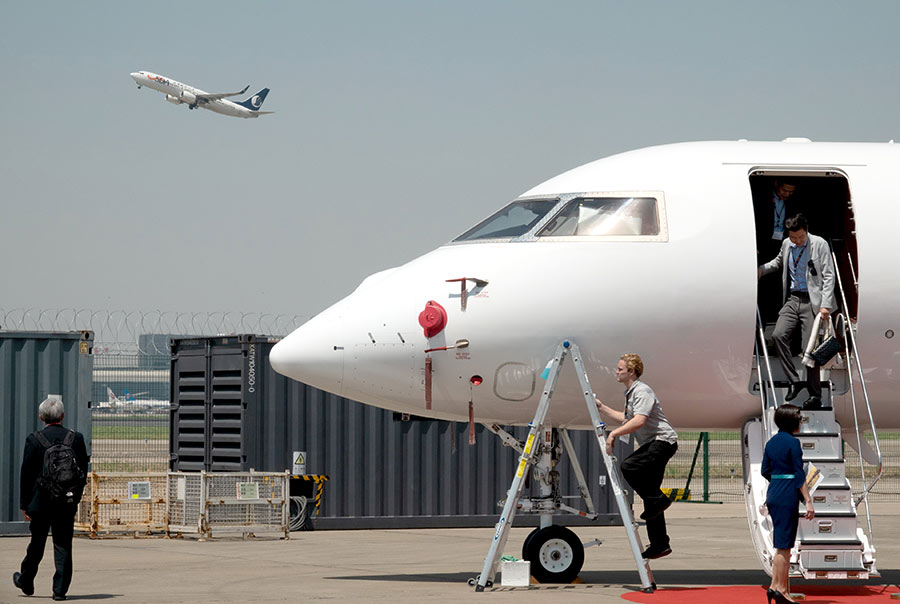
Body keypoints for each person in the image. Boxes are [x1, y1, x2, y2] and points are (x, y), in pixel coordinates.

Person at [594, 353, 678, 559]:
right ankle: (660, 544)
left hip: (662, 441)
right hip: (653, 443)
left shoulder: (642, 391)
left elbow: (639, 421)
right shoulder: (631, 393)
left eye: (620, 368)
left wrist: (613, 434)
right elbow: (627, 419)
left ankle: (658, 500)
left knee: (629, 466)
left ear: (631, 371)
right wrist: (601, 407)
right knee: (651, 500)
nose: (616, 371)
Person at [13, 398, 89, 601]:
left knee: (36, 544)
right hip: (66, 502)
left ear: (41, 417)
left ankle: (26, 580)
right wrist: (77, 496)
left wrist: (25, 504)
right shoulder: (76, 439)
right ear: (62, 416)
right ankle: (60, 590)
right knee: (63, 545)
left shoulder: (34, 439)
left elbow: (26, 474)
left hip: (41, 502)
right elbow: (82, 472)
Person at [758, 213, 836, 409]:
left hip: (813, 301)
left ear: (806, 230)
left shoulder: (819, 244)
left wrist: (825, 305)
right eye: (794, 238)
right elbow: (779, 262)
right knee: (777, 335)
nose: (798, 241)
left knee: (808, 349)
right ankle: (795, 381)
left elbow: (828, 275)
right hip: (793, 298)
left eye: (801, 237)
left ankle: (815, 394)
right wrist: (762, 269)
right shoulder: (786, 244)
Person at [761, 404, 815, 604]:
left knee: (780, 544)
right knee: (784, 546)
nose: (801, 422)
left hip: (774, 490)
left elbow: (764, 470)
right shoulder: (793, 443)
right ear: (791, 421)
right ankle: (781, 590)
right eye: (799, 418)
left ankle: (775, 587)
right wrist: (808, 501)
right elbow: (799, 474)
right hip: (786, 494)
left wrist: (779, 479)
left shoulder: (771, 442)